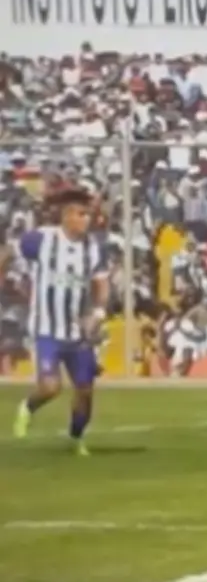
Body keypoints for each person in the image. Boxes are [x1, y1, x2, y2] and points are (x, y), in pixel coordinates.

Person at [10, 189, 109, 457]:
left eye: (88, 214)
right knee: (51, 387)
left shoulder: (93, 248)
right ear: (66, 217)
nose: (86, 219)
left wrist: (98, 313)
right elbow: (11, 249)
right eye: (81, 214)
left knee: (85, 390)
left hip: (79, 332)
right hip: (47, 329)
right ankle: (27, 408)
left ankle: (76, 437)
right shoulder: (42, 240)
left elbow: (101, 283)